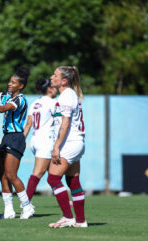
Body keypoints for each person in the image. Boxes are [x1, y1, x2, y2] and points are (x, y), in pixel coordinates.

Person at [0, 66, 35, 219]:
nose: (10, 84)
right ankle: (9, 210)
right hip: (7, 137)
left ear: (20, 86)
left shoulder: (19, 99)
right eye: (9, 81)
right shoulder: (8, 95)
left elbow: (3, 108)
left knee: (11, 175)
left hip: (16, 137)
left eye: (13, 82)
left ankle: (27, 207)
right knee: (2, 175)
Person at [47, 66, 87, 228]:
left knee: (53, 178)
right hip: (74, 143)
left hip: (69, 143)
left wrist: (56, 146)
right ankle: (81, 221)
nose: (51, 77)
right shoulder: (67, 95)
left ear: (64, 80)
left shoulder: (67, 96)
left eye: (55, 75)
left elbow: (66, 122)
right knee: (73, 181)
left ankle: (67, 217)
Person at [23, 79, 58, 202]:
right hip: (45, 141)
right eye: (53, 87)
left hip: (35, 140)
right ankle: (26, 204)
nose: (56, 88)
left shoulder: (35, 103)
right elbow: (60, 123)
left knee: (54, 174)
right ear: (49, 89)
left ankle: (63, 198)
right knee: (37, 173)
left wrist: (22, 140)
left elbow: (28, 124)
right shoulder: (53, 103)